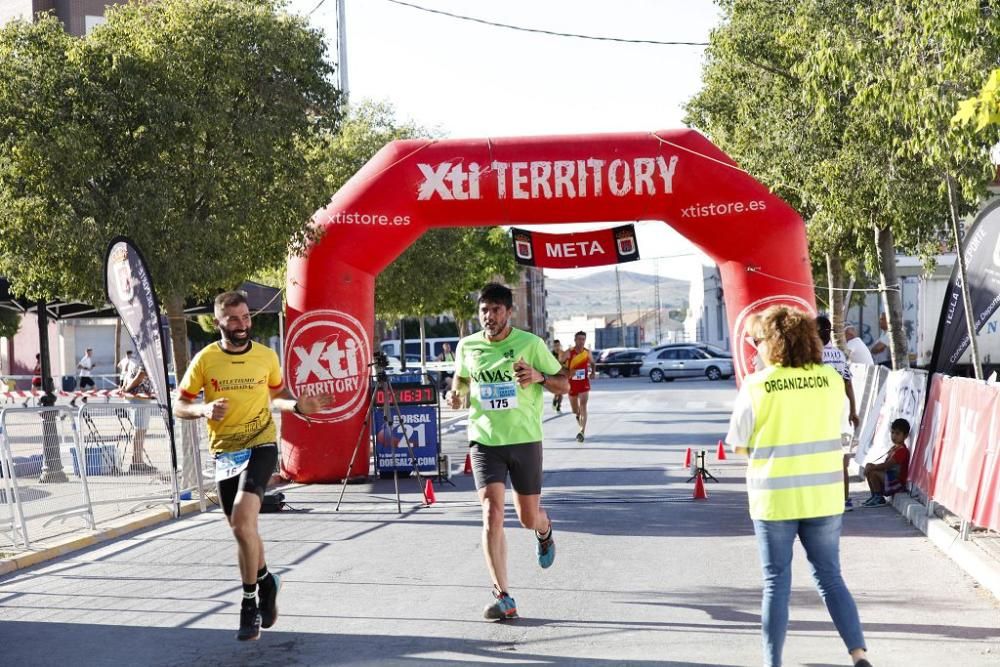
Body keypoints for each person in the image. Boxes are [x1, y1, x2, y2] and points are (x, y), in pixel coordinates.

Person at [174, 291, 332, 642]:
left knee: (245, 520)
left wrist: (298, 406)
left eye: (246, 317)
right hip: (224, 452)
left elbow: (277, 395)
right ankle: (268, 580)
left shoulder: (265, 356)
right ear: (217, 322)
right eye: (234, 319)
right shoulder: (205, 359)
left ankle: (249, 604)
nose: (243, 325)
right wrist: (202, 410)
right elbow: (180, 404)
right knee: (241, 530)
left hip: (261, 444)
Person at [726, 306, 871, 667]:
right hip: (823, 497)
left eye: (757, 341)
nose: (755, 347)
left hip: (774, 499)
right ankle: (858, 654)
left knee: (776, 583)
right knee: (831, 578)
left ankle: (772, 662)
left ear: (771, 343)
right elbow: (835, 429)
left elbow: (738, 444)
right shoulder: (830, 381)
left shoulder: (757, 385)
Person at [447, 282, 568, 621]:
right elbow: (462, 381)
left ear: (509, 312)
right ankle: (503, 596)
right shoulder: (467, 346)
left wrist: (539, 376)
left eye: (496, 310)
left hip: (524, 439)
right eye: (484, 310)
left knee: (527, 517)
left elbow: (565, 382)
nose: (489, 316)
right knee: (491, 513)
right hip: (485, 440)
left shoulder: (530, 344)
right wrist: (455, 394)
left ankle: (544, 531)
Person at [816, 316, 861, 512]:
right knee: (841, 460)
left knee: (821, 460)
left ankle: (824, 501)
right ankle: (844, 500)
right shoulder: (839, 355)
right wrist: (853, 409)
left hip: (822, 414)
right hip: (840, 412)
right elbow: (848, 383)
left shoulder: (813, 358)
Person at [120, 357, 157, 474]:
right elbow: (140, 375)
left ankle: (138, 461)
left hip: (139, 398)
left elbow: (129, 375)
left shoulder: (137, 360)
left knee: (141, 430)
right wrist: (127, 388)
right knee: (139, 431)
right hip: (138, 399)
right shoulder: (146, 358)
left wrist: (125, 387)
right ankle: (136, 462)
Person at [863, 418, 910, 508]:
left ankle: (879, 498)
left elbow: (888, 465)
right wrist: (870, 466)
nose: (894, 436)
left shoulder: (902, 451)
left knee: (873, 472)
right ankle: (875, 496)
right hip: (890, 479)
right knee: (870, 469)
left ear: (905, 436)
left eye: (897, 433)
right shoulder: (894, 448)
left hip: (898, 483)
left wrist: (872, 467)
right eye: (892, 433)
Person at [564, 331, 596, 443]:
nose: (581, 341)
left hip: (584, 383)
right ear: (575, 340)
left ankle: (582, 431)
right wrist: (566, 372)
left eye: (583, 339)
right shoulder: (569, 353)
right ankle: (578, 417)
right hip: (572, 384)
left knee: (583, 406)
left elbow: (593, 363)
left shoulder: (587, 353)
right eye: (579, 339)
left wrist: (592, 373)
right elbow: (559, 364)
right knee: (575, 410)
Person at [550, 340, 565, 413]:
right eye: (556, 346)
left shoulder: (563, 353)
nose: (557, 347)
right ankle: (555, 400)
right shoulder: (550, 354)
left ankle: (558, 407)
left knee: (561, 392)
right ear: (553, 346)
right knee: (557, 392)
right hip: (554, 375)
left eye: (558, 345)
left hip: (562, 375)